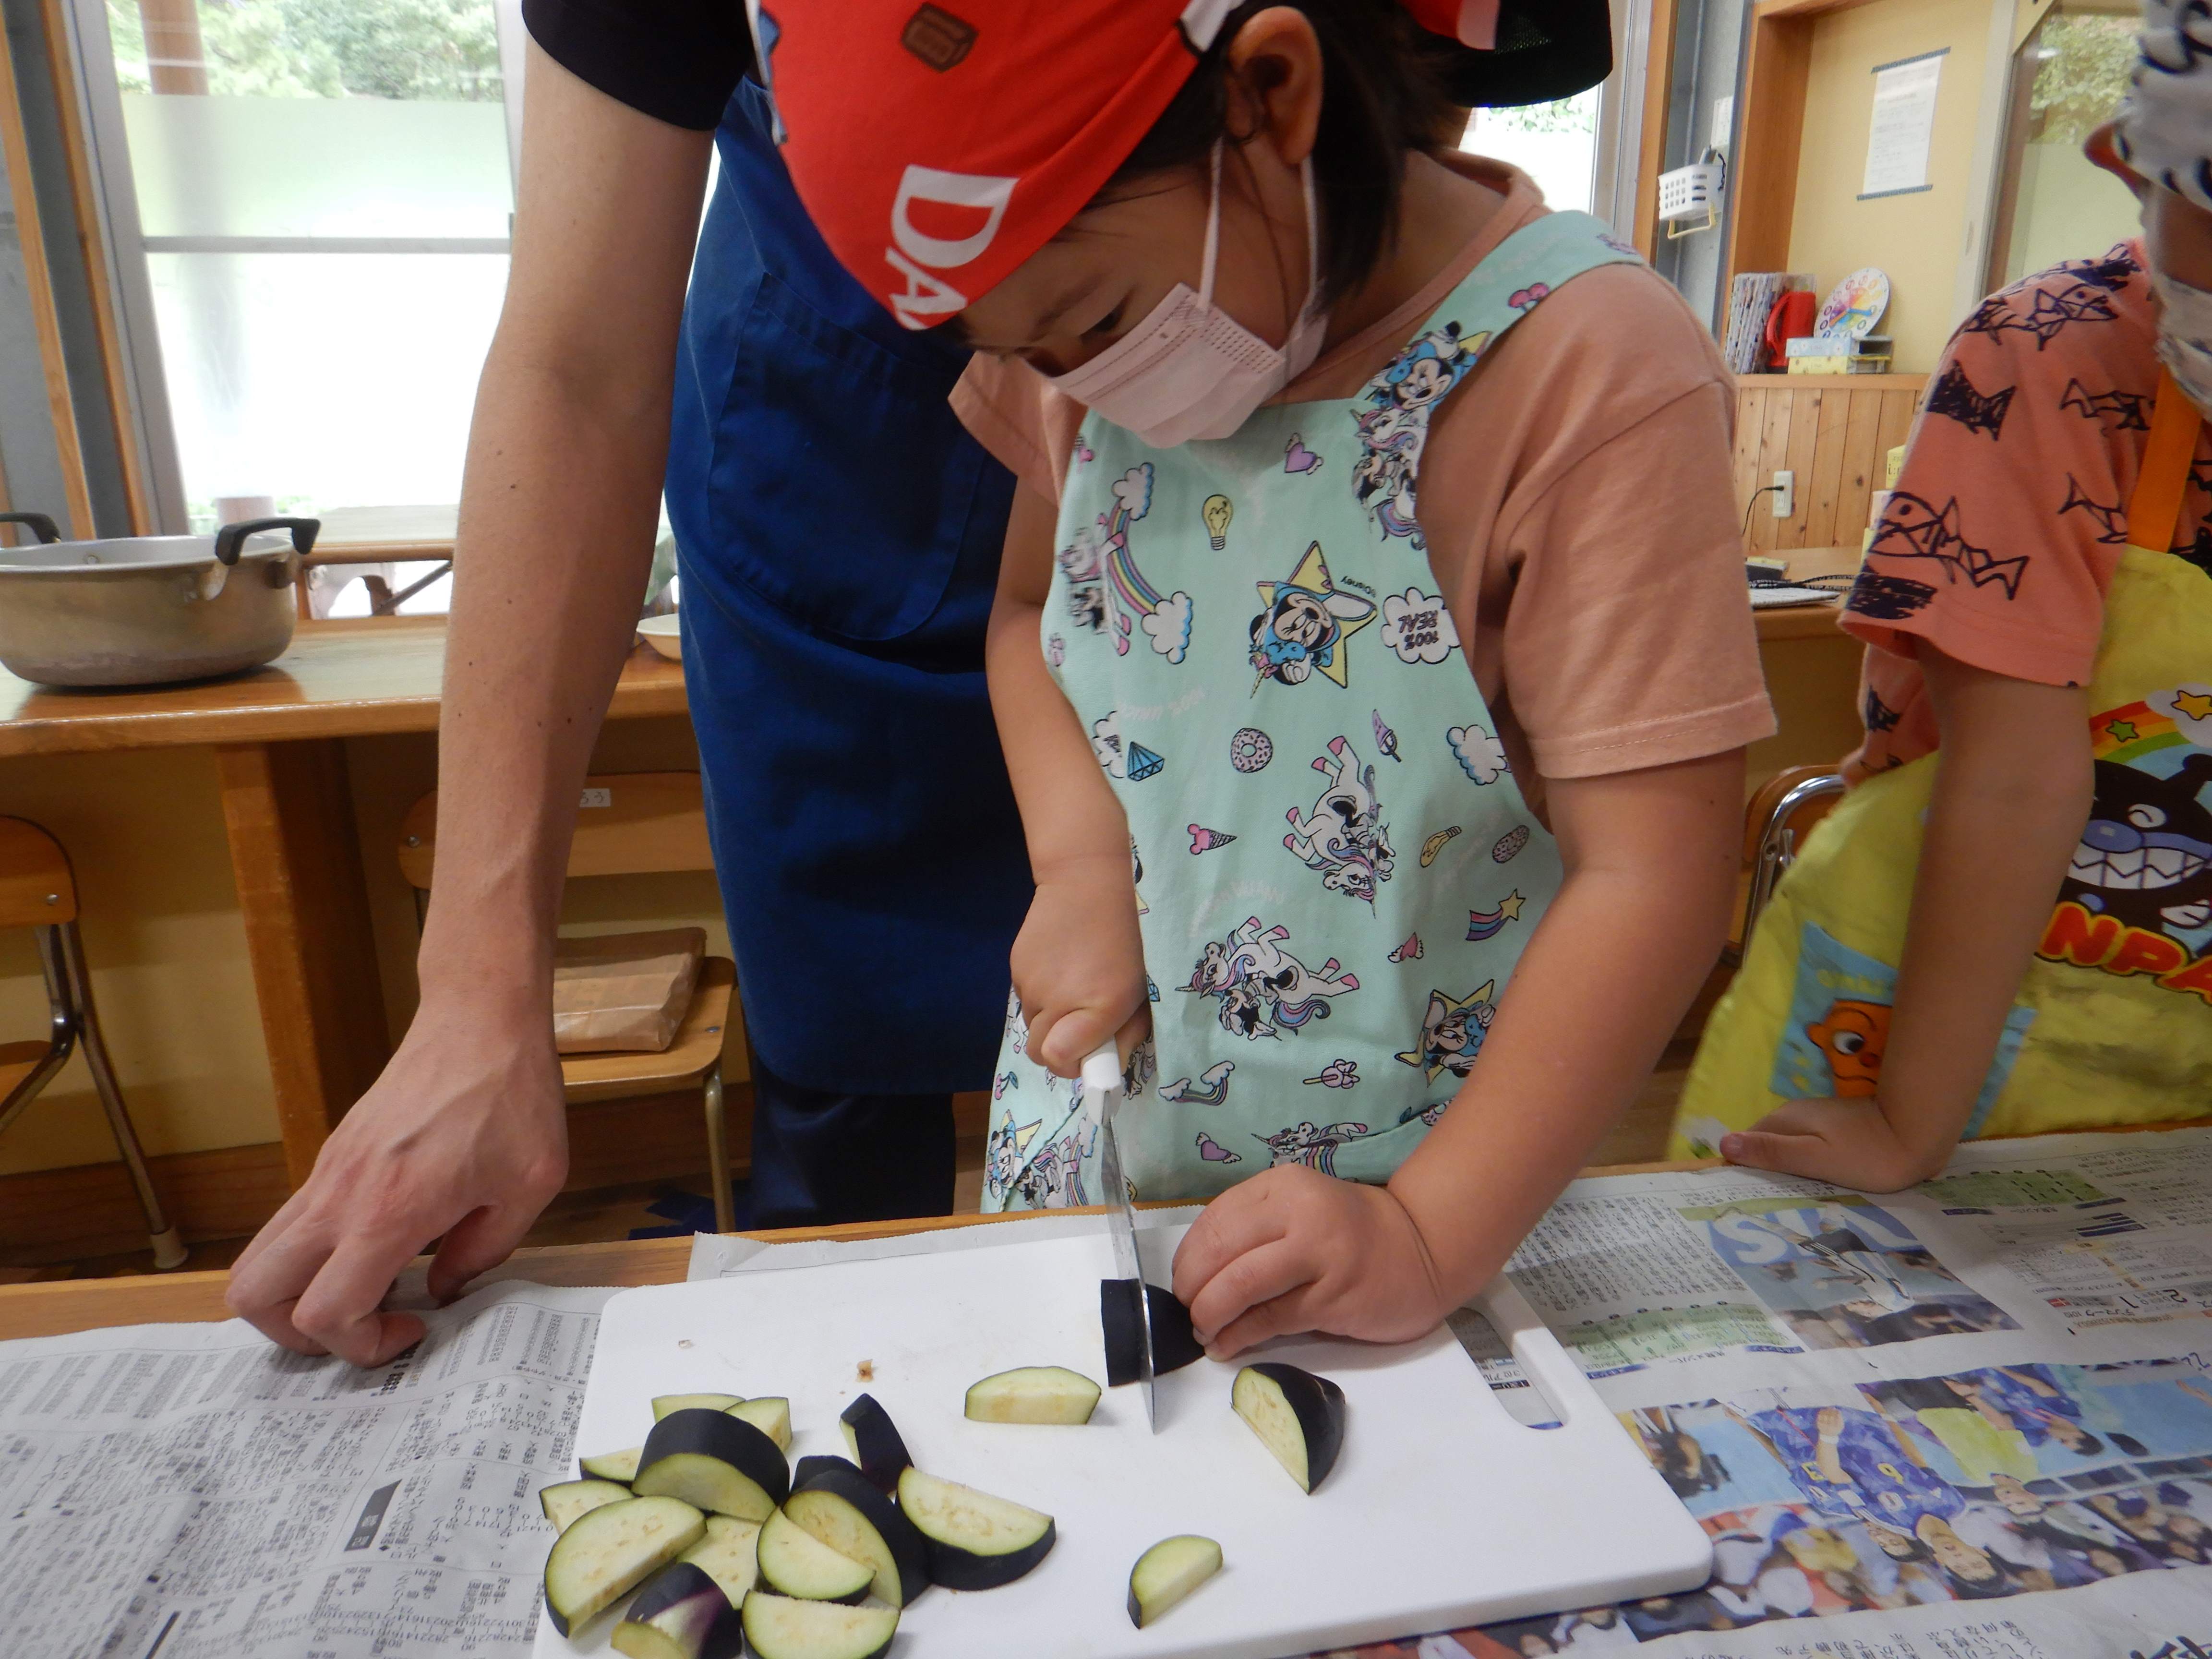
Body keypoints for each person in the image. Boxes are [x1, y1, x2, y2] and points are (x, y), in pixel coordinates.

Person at [758, 0, 1772, 1357]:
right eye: (1019, 354)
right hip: (1098, 1155)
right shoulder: (1069, 353)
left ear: (1272, 94)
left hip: (1416, 1200)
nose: (1077, 385)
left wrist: (1429, 1235)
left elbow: (1654, 872)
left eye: (1094, 318)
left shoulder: (1586, 367)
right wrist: (1080, 864)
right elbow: (1026, 610)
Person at [225, 2, 1036, 1365]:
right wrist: (477, 995)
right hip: (832, 473)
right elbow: (578, 362)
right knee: (839, 1089)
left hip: (1251, 480)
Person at [1673, 9, 2212, 1187]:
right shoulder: (2050, 355)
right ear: (2132, 164)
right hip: (1925, 1012)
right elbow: (2016, 777)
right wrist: (1907, 1124)